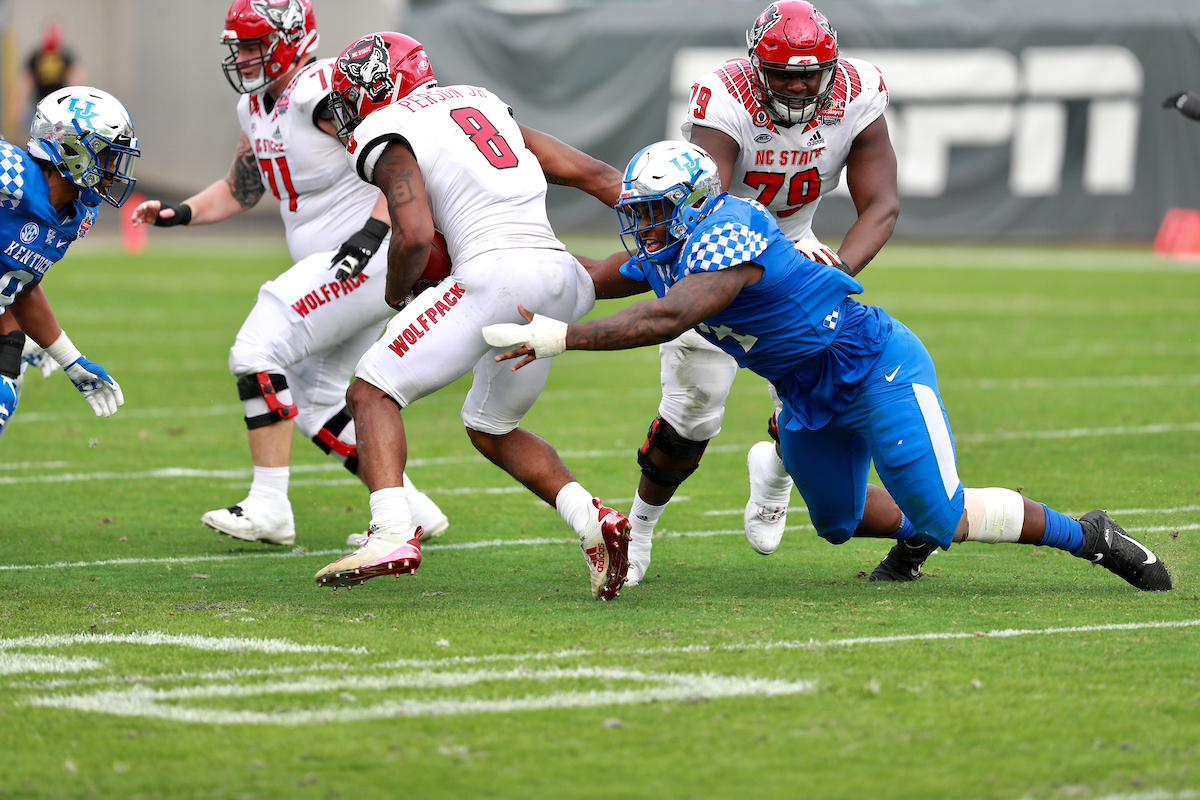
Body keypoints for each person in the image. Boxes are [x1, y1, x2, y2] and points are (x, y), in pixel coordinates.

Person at [484, 140, 1173, 594]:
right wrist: (498, 276)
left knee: (945, 513)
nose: (645, 227)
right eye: (641, 213)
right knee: (838, 522)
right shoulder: (671, 250)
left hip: (873, 365)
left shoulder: (732, 233)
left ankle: (1090, 535)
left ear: (693, 206)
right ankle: (888, 515)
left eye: (657, 212)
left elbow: (668, 318)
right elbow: (593, 276)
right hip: (804, 391)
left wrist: (560, 337)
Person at [310, 32, 632, 601]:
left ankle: (391, 532)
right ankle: (593, 520)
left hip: (493, 276)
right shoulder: (480, 102)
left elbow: (413, 235)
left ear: (381, 86)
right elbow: (594, 175)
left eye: (352, 94)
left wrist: (397, 292)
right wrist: (680, 233)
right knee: (491, 426)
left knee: (370, 392)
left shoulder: (390, 127)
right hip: (557, 273)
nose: (347, 109)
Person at [129, 0, 449, 548]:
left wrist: (372, 232)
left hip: (362, 261)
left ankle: (269, 505)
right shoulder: (254, 107)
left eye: (254, 45)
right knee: (318, 400)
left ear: (291, 40)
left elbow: (401, 159)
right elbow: (241, 188)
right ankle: (411, 509)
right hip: (341, 268)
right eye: (240, 47)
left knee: (257, 347)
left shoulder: (318, 91)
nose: (244, 58)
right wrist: (179, 213)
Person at [617, 1, 901, 585]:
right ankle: (638, 530)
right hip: (712, 250)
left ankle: (775, 473)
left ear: (831, 68)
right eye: (783, 74)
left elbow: (882, 204)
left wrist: (834, 271)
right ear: (755, 67)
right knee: (692, 413)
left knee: (812, 400)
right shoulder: (727, 98)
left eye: (810, 74)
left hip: (794, 253)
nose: (798, 86)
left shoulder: (859, 92)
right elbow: (707, 206)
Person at [1, 86, 138, 439]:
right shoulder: (11, 174)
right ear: (73, 148)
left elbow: (22, 285)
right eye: (108, 156)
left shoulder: (78, 216)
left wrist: (71, 360)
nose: (113, 170)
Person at [16, 24, 87, 130]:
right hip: (40, 102)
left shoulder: (65, 55)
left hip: (60, 102)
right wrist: (20, 104)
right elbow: (26, 81)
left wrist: (76, 98)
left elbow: (76, 77)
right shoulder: (37, 55)